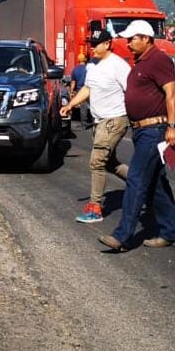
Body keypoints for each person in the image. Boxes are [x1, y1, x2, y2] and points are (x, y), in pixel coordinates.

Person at [98, 20, 175, 252]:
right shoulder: (140, 62)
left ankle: (122, 236)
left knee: (136, 179)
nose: (128, 43)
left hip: (154, 131)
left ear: (146, 38)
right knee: (155, 184)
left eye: (132, 39)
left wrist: (173, 126)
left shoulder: (158, 60)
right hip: (140, 130)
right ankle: (172, 232)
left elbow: (171, 94)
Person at [60, 29, 131, 223]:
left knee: (97, 161)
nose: (92, 47)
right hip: (99, 122)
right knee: (109, 163)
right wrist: (70, 105)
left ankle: (95, 207)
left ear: (107, 44)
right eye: (91, 43)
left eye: (96, 44)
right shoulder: (92, 66)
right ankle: (142, 185)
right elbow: (88, 89)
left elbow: (132, 91)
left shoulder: (118, 65)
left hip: (114, 119)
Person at [69, 53, 89, 128]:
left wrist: (71, 91)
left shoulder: (75, 69)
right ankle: (95, 122)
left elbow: (73, 82)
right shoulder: (88, 68)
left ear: (78, 60)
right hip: (89, 89)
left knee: (83, 107)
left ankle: (84, 123)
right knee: (93, 106)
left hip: (80, 90)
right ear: (85, 59)